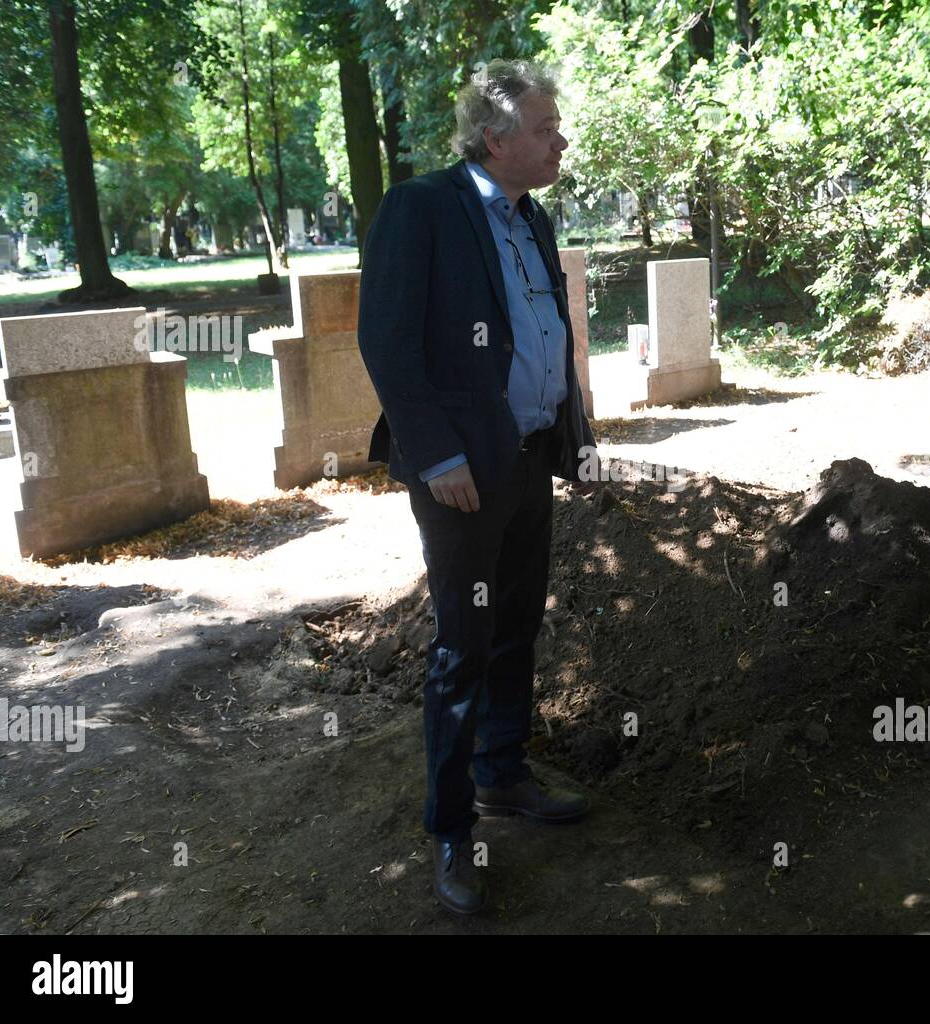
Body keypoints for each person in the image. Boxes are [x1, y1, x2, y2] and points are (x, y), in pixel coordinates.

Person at [357, 58, 602, 917]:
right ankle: (453, 826)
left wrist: (579, 435)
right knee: (463, 646)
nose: (559, 140)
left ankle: (502, 777)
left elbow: (548, 333)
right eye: (545, 128)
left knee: (517, 628)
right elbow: (387, 340)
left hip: (529, 457)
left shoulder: (533, 220)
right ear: (494, 138)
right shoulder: (423, 208)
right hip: (461, 474)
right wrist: (436, 456)